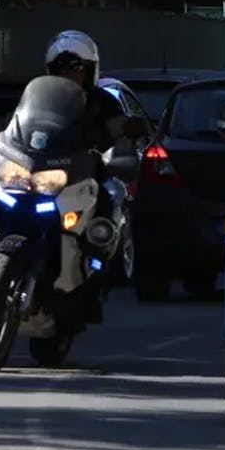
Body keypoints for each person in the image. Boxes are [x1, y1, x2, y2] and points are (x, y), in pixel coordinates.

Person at [43, 30, 138, 321]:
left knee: (108, 201)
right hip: (44, 172)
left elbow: (118, 124)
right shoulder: (41, 99)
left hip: (85, 171)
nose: (70, 74)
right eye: (62, 68)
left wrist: (124, 130)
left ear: (90, 70)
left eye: (77, 68)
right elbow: (18, 123)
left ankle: (96, 269)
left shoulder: (102, 101)